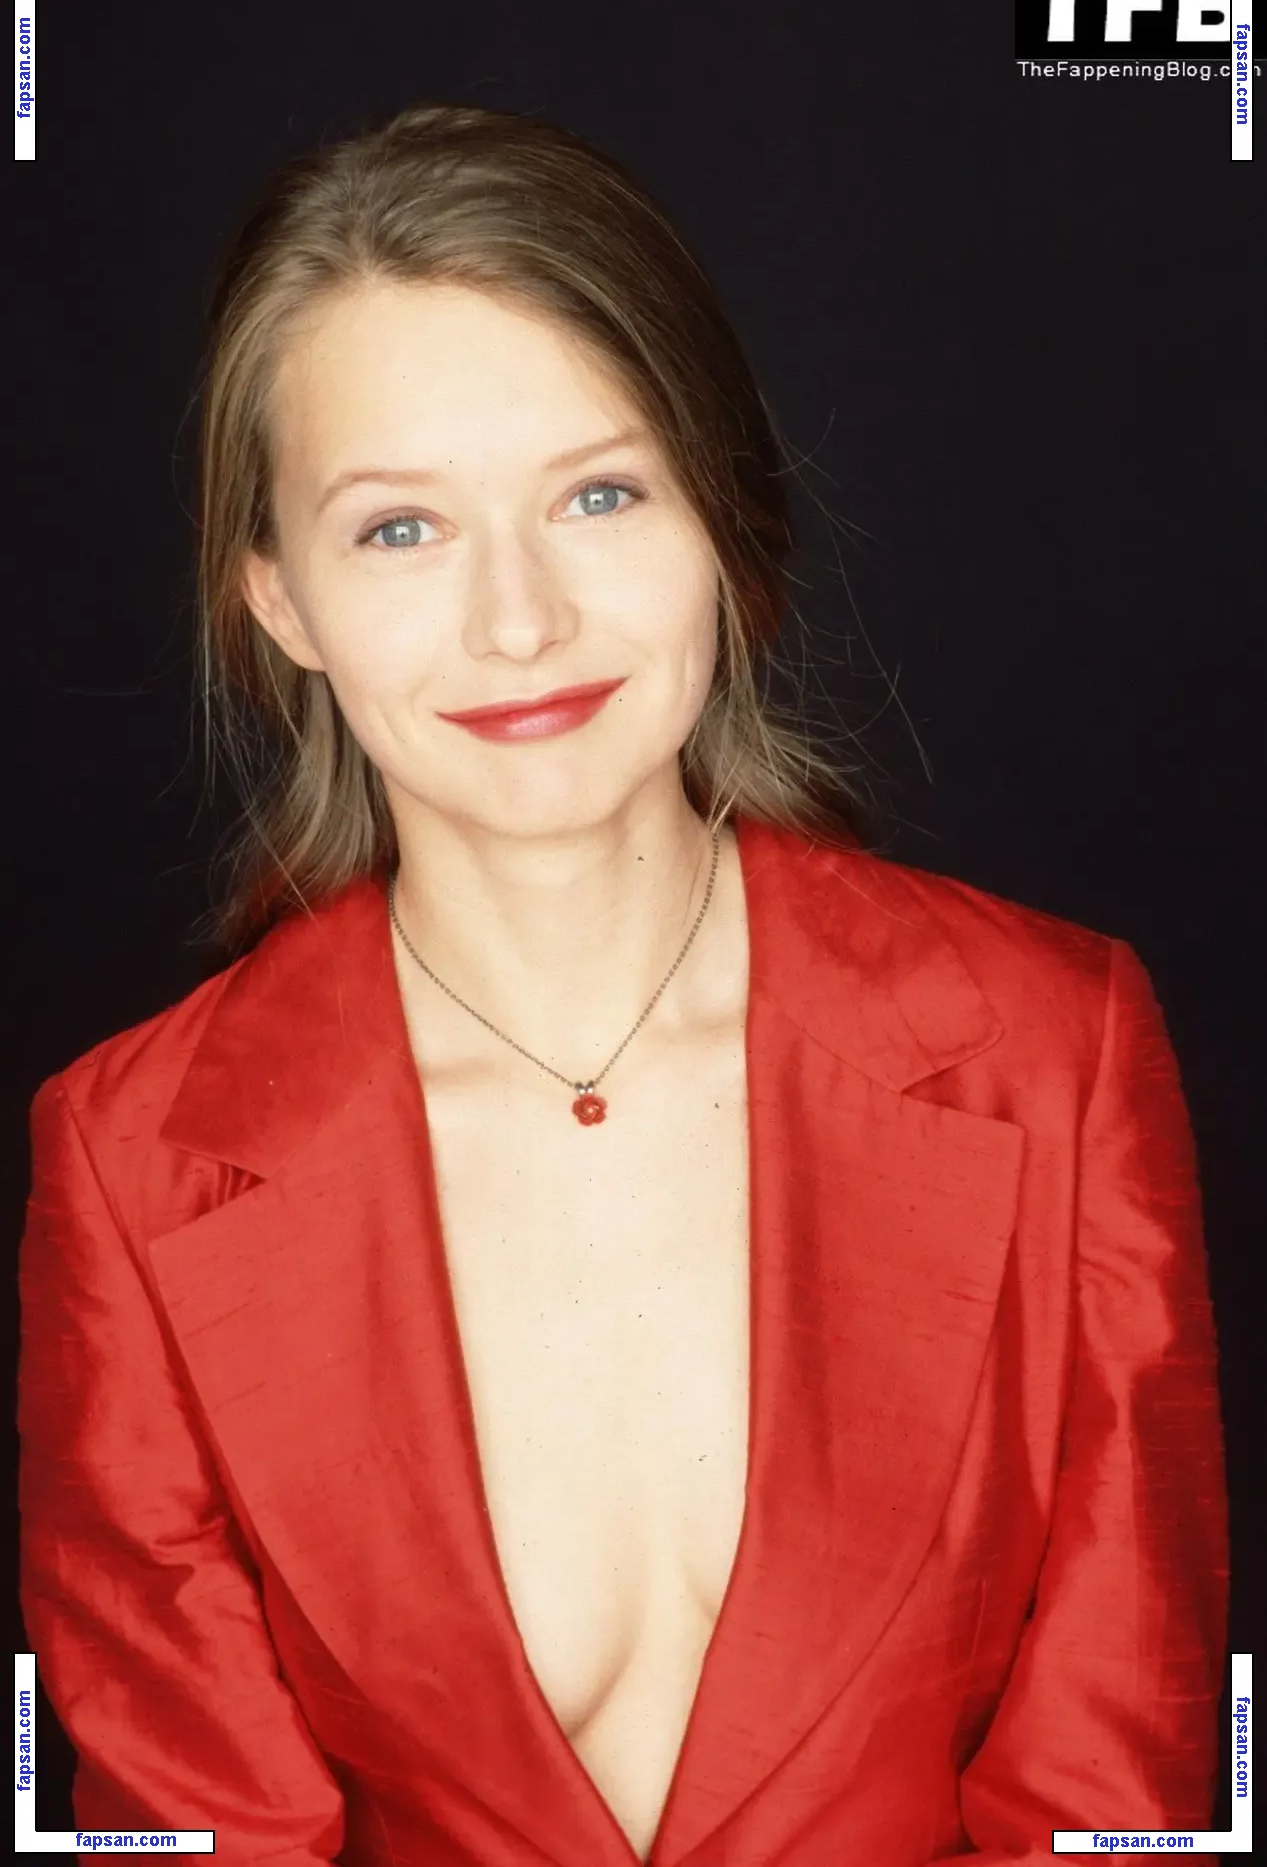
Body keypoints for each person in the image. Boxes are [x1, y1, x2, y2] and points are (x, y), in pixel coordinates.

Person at [18, 102, 1228, 1867]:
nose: (518, 621)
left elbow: (1114, 1787)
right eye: (398, 531)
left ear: (719, 519)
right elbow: (195, 1827)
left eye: (598, 494)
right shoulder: (131, 1165)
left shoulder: (1057, 1048)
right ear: (279, 602)